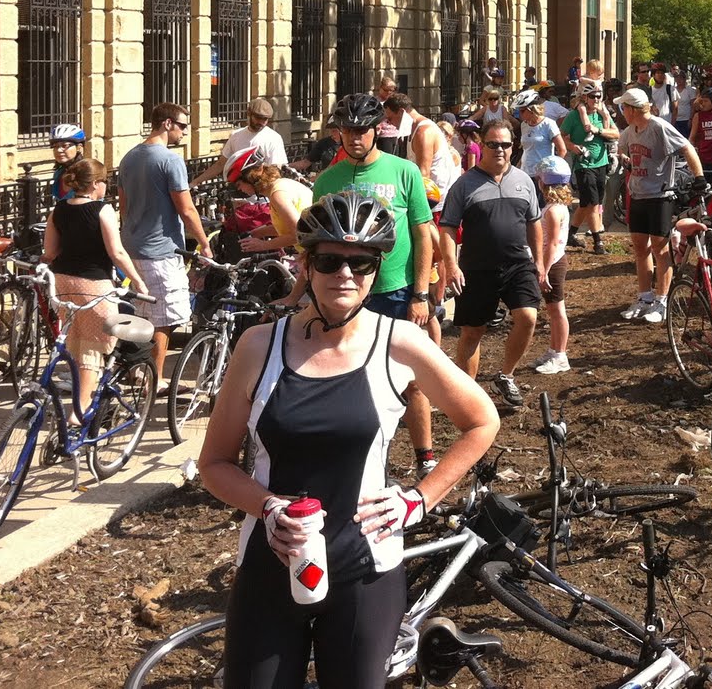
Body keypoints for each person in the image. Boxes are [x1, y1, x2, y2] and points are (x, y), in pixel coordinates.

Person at [197, 190, 497, 689]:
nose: (346, 275)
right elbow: (214, 464)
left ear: (377, 270)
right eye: (330, 261)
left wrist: (418, 501)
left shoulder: (398, 342)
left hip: (366, 570)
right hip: (270, 565)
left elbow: (482, 421)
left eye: (361, 264)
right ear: (305, 264)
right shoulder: (258, 346)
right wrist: (269, 506)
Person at [309, 92, 439, 472]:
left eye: (362, 130)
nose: (355, 138)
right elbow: (315, 243)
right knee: (347, 374)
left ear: (376, 130)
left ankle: (424, 457)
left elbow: (421, 232)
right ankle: (354, 456)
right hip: (346, 294)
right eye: (348, 130)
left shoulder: (404, 171)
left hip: (396, 290)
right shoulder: (327, 180)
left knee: (410, 377)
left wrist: (420, 292)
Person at [436, 120, 549, 408]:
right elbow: (447, 228)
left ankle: (506, 375)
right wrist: (451, 265)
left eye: (505, 144)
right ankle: (467, 392)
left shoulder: (523, 181)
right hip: (477, 268)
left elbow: (534, 223)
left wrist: (540, 261)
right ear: (481, 144)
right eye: (493, 144)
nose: (499, 150)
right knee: (473, 332)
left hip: (517, 264)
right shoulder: (464, 184)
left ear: (514, 146)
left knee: (528, 317)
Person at [43, 158, 151, 413]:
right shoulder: (103, 210)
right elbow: (117, 252)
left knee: (77, 344)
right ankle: (80, 412)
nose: (107, 186)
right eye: (105, 181)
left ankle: (89, 404)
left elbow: (50, 250)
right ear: (94, 184)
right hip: (94, 284)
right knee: (92, 348)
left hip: (63, 283)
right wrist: (138, 282)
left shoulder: (58, 209)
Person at [117, 102, 212, 389]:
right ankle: (154, 380)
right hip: (161, 251)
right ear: (167, 123)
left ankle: (136, 372)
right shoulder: (170, 160)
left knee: (140, 314)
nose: (185, 132)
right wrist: (205, 245)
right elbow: (186, 209)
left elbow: (123, 206)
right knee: (163, 320)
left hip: (132, 249)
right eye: (183, 125)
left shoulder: (129, 157)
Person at [616, 87, 703, 323]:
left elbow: (686, 147)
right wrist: (623, 158)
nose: (621, 111)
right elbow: (620, 146)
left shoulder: (659, 127)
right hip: (638, 195)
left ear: (633, 109)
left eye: (624, 107)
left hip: (660, 196)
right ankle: (644, 297)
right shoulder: (631, 130)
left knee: (660, 248)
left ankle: (662, 300)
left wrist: (699, 177)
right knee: (639, 247)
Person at [530, 155, 575, 376]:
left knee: (558, 311)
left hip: (554, 265)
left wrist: (544, 271)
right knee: (552, 310)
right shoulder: (554, 207)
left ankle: (561, 356)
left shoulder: (553, 211)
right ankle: (554, 349)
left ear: (542, 182)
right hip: (553, 263)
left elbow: (552, 244)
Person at [562, 79, 618, 251]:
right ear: (585, 97)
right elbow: (562, 136)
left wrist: (599, 130)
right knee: (593, 203)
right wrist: (573, 147)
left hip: (601, 163)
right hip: (583, 164)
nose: (596, 99)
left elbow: (616, 134)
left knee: (587, 203)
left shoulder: (602, 114)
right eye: (593, 96)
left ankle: (570, 234)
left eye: (599, 96)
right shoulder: (574, 116)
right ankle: (597, 241)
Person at [230, 148, 313, 261]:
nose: (240, 189)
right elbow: (286, 225)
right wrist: (255, 233)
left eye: (239, 184)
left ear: (251, 178)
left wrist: (263, 245)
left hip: (317, 254)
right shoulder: (281, 186)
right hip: (312, 254)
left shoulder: (278, 195)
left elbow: (298, 233)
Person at [195, 97, 288, 185]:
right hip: (236, 194)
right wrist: (196, 182)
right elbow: (221, 164)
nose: (261, 122)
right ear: (249, 114)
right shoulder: (236, 135)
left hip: (260, 198)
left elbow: (275, 171)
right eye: (258, 118)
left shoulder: (273, 138)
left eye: (265, 119)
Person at [47, 122, 87, 203]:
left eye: (64, 146)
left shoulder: (87, 173)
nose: (58, 150)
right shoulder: (58, 173)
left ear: (79, 147)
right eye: (55, 146)